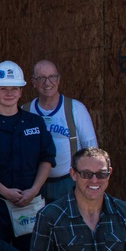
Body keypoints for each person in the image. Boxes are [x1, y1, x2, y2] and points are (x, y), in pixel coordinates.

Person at [0, 61, 55, 251]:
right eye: (3, 89)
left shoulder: (34, 123)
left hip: (31, 204)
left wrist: (34, 190)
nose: (9, 93)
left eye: (14, 89)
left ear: (21, 92)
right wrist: (5, 192)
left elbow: (47, 158)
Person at [27, 60, 98, 203]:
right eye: (41, 78)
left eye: (52, 77)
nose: (47, 83)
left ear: (58, 79)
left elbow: (91, 151)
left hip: (68, 182)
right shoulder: (25, 111)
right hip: (34, 185)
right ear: (33, 82)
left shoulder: (75, 109)